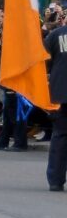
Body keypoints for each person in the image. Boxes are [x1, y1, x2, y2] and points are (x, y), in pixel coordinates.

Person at [46, 14, 67, 192]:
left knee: (60, 136)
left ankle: (55, 179)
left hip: (61, 91)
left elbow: (45, 59)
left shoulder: (55, 35)